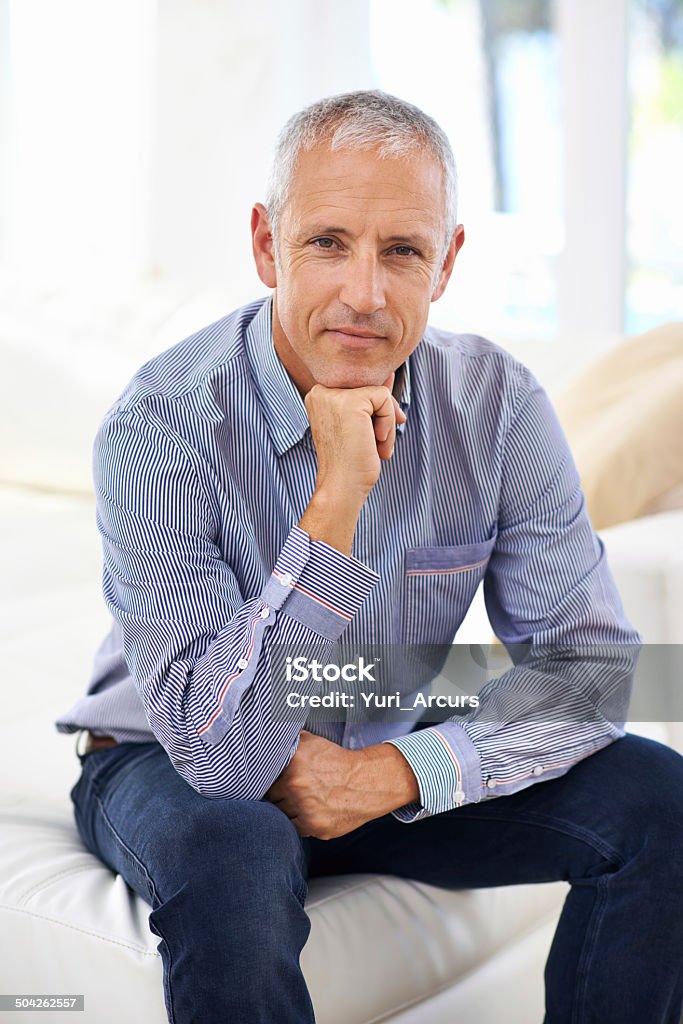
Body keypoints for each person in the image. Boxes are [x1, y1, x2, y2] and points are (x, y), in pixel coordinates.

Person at [55, 90, 683, 1023]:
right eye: (327, 243)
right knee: (239, 853)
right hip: (171, 749)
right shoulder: (160, 425)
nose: (365, 294)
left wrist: (398, 775)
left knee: (660, 800)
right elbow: (222, 758)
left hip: (380, 736)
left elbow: (591, 669)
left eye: (402, 251)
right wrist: (336, 502)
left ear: (448, 262)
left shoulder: (498, 406)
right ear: (267, 244)